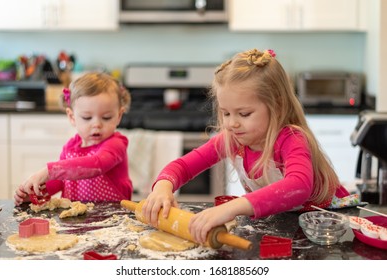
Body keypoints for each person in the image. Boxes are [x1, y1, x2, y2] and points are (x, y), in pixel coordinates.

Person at [142, 48, 352, 244]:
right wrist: (163, 187)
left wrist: (233, 208)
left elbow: (298, 186)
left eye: (244, 114)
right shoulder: (232, 139)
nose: (232, 123)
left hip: (328, 227)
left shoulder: (291, 138)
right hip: (288, 226)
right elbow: (183, 166)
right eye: (226, 113)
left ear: (276, 105)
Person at [14, 72, 133, 205]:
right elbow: (60, 181)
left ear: (119, 116)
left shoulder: (116, 144)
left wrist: (49, 171)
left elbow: (97, 164)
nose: (97, 124)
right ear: (72, 117)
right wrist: (36, 193)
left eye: (106, 117)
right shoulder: (70, 147)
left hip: (113, 218)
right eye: (87, 118)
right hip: (76, 218)